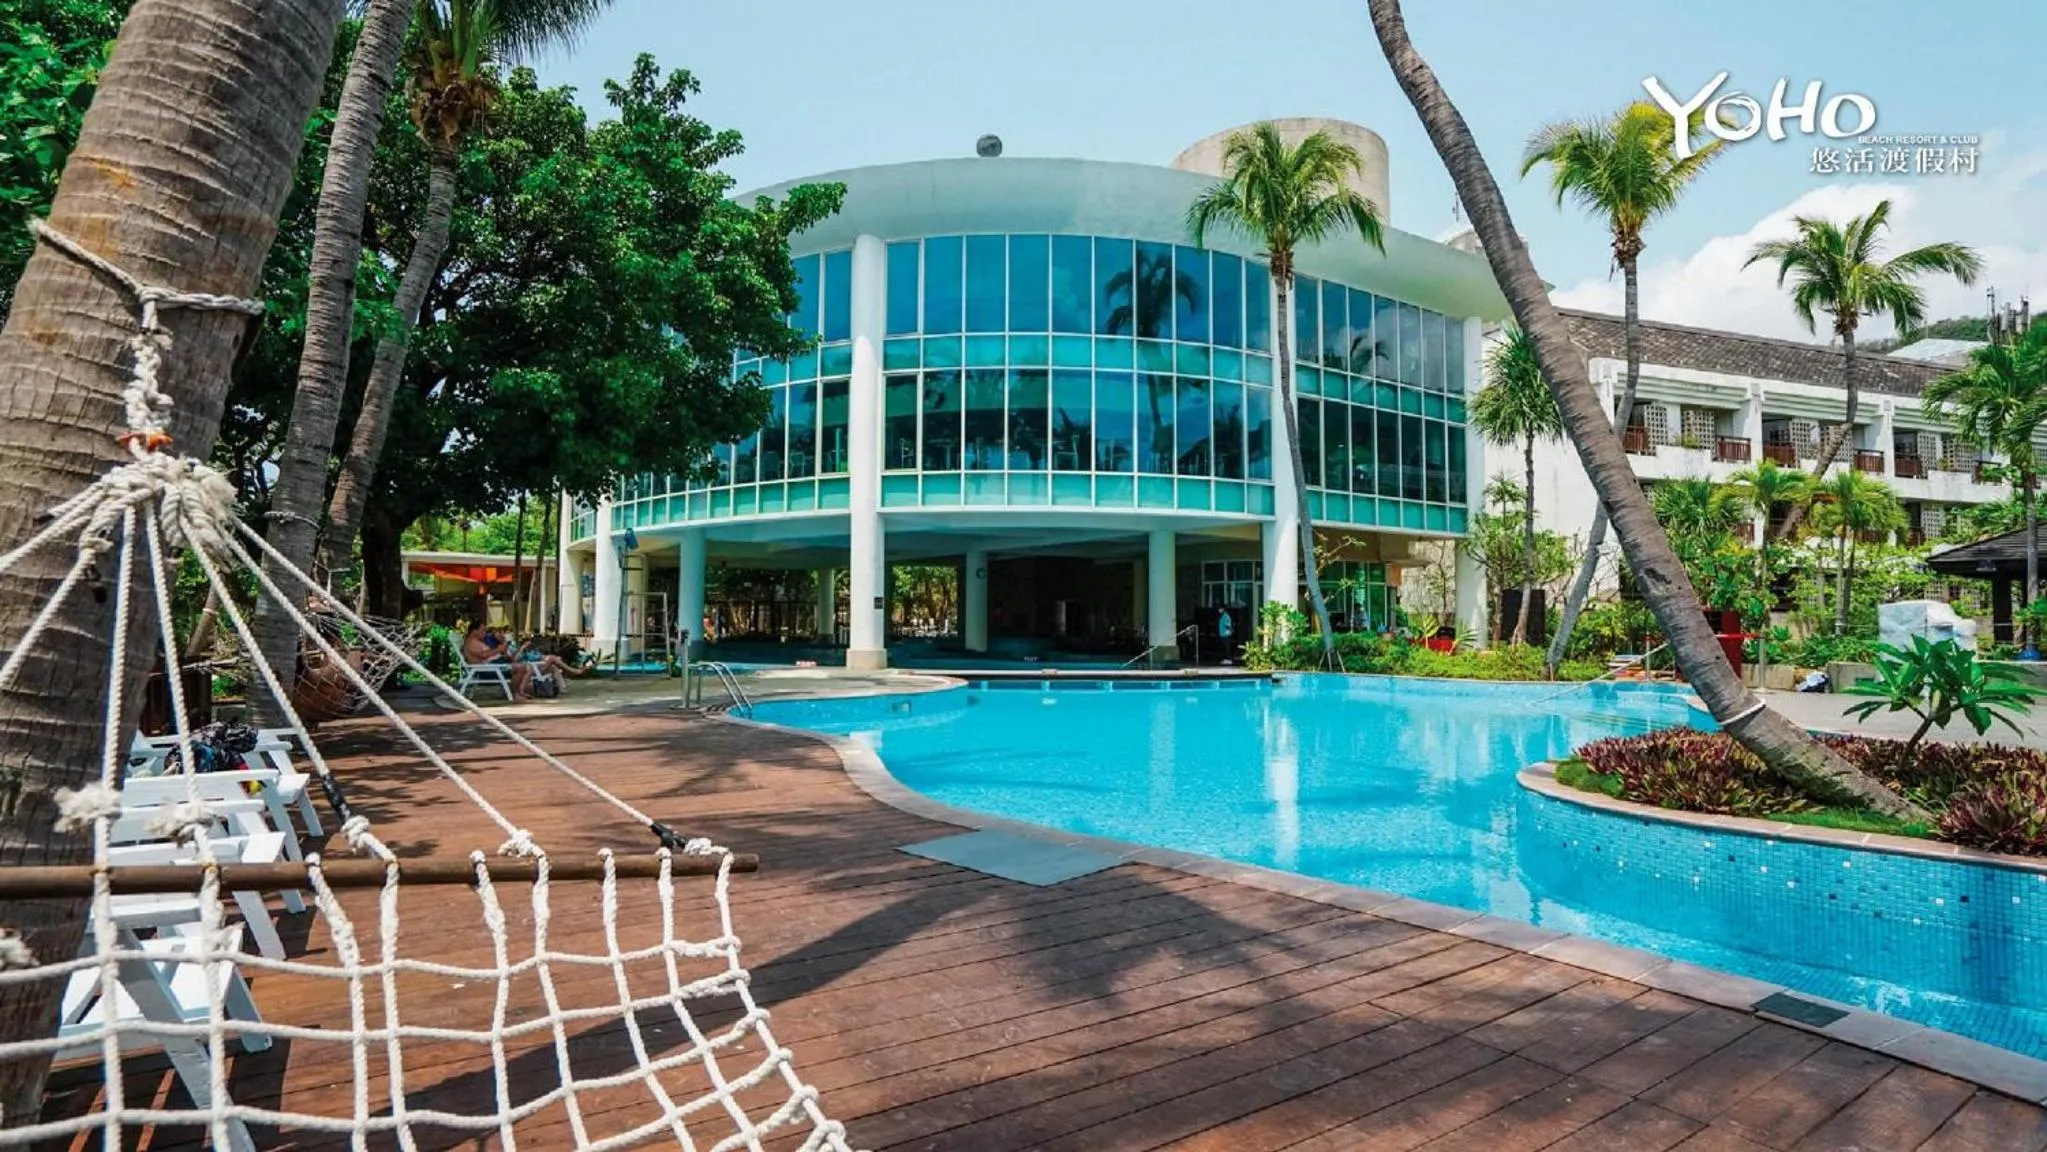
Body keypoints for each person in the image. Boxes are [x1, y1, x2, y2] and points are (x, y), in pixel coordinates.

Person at [463, 622, 534, 699]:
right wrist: (498, 649)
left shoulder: (478, 642)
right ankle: (516, 694)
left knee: (525, 667)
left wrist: (502, 649)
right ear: (474, 631)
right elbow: (483, 655)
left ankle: (519, 692)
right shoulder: (471, 643)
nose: (485, 633)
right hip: (487, 670)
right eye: (483, 630)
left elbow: (487, 654)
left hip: (494, 666)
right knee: (521, 668)